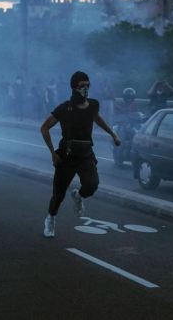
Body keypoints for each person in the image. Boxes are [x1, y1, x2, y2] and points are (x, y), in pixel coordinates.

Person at [40, 71, 121, 238]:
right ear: (74, 87)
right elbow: (44, 128)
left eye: (88, 85)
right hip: (66, 156)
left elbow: (97, 119)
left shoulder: (93, 105)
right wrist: (52, 154)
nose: (86, 88)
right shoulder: (64, 108)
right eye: (82, 86)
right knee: (58, 195)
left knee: (92, 184)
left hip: (85, 154)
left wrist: (112, 134)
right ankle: (50, 219)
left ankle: (78, 195)